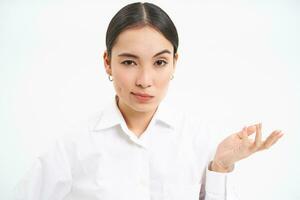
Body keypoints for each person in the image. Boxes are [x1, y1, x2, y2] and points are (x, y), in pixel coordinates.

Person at [14, 2, 284, 200]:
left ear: (174, 63)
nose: (145, 79)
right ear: (107, 63)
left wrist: (221, 167)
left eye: (160, 62)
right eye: (129, 62)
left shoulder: (198, 139)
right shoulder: (73, 145)